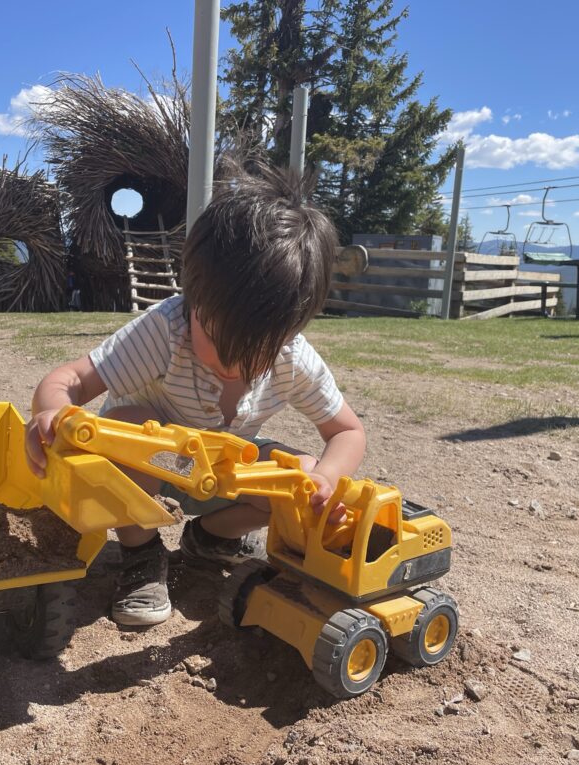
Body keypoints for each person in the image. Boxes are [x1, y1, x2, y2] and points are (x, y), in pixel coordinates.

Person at [25, 165, 366, 627]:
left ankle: (209, 537)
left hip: (220, 477)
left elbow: (347, 431)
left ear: (288, 331)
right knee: (127, 422)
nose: (228, 364)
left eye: (251, 354)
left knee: (300, 474)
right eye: (214, 337)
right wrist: (52, 412)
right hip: (153, 469)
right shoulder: (167, 330)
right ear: (193, 297)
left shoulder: (293, 358)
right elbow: (71, 379)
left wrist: (325, 478)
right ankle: (142, 555)